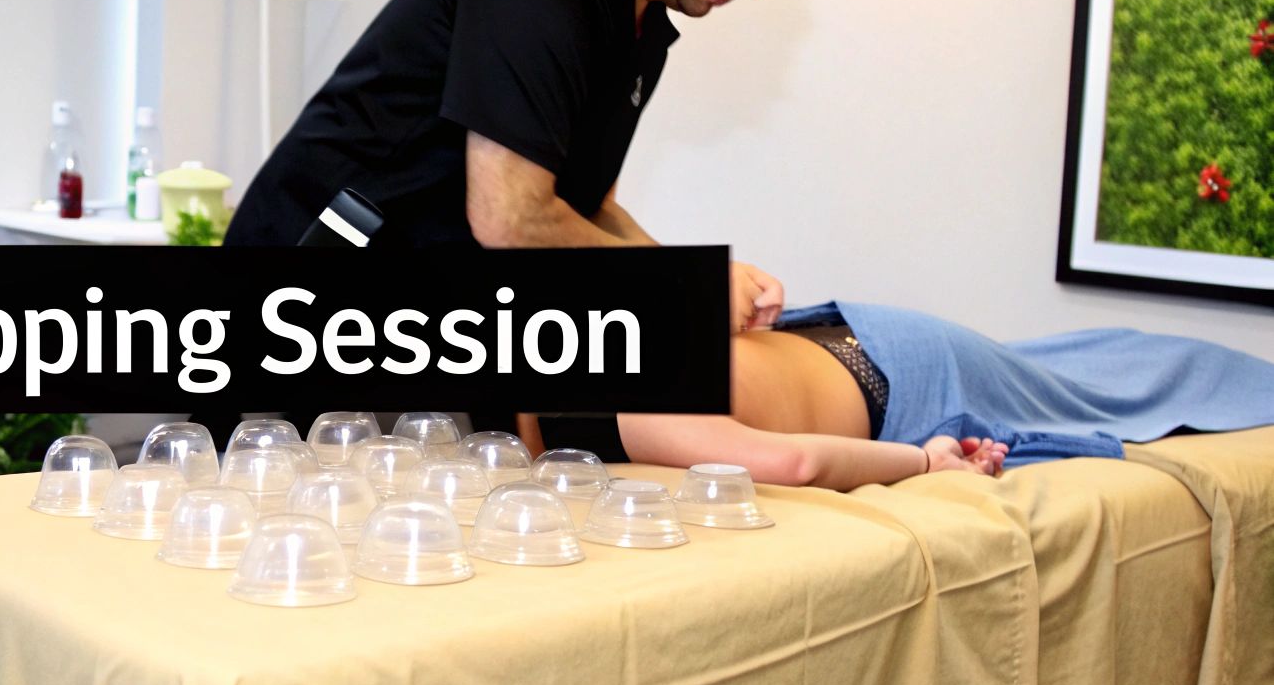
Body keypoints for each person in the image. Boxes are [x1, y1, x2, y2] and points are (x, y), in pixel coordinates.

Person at [223, 0, 824, 334]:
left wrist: (699, 280)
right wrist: (681, 285)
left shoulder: (640, 24)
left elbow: (586, 209)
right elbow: (510, 219)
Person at [521, 301, 1274, 491]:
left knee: (1103, 389)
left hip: (905, 371)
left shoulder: (640, 397)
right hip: (845, 338)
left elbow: (792, 466)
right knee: (1072, 369)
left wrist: (919, 462)